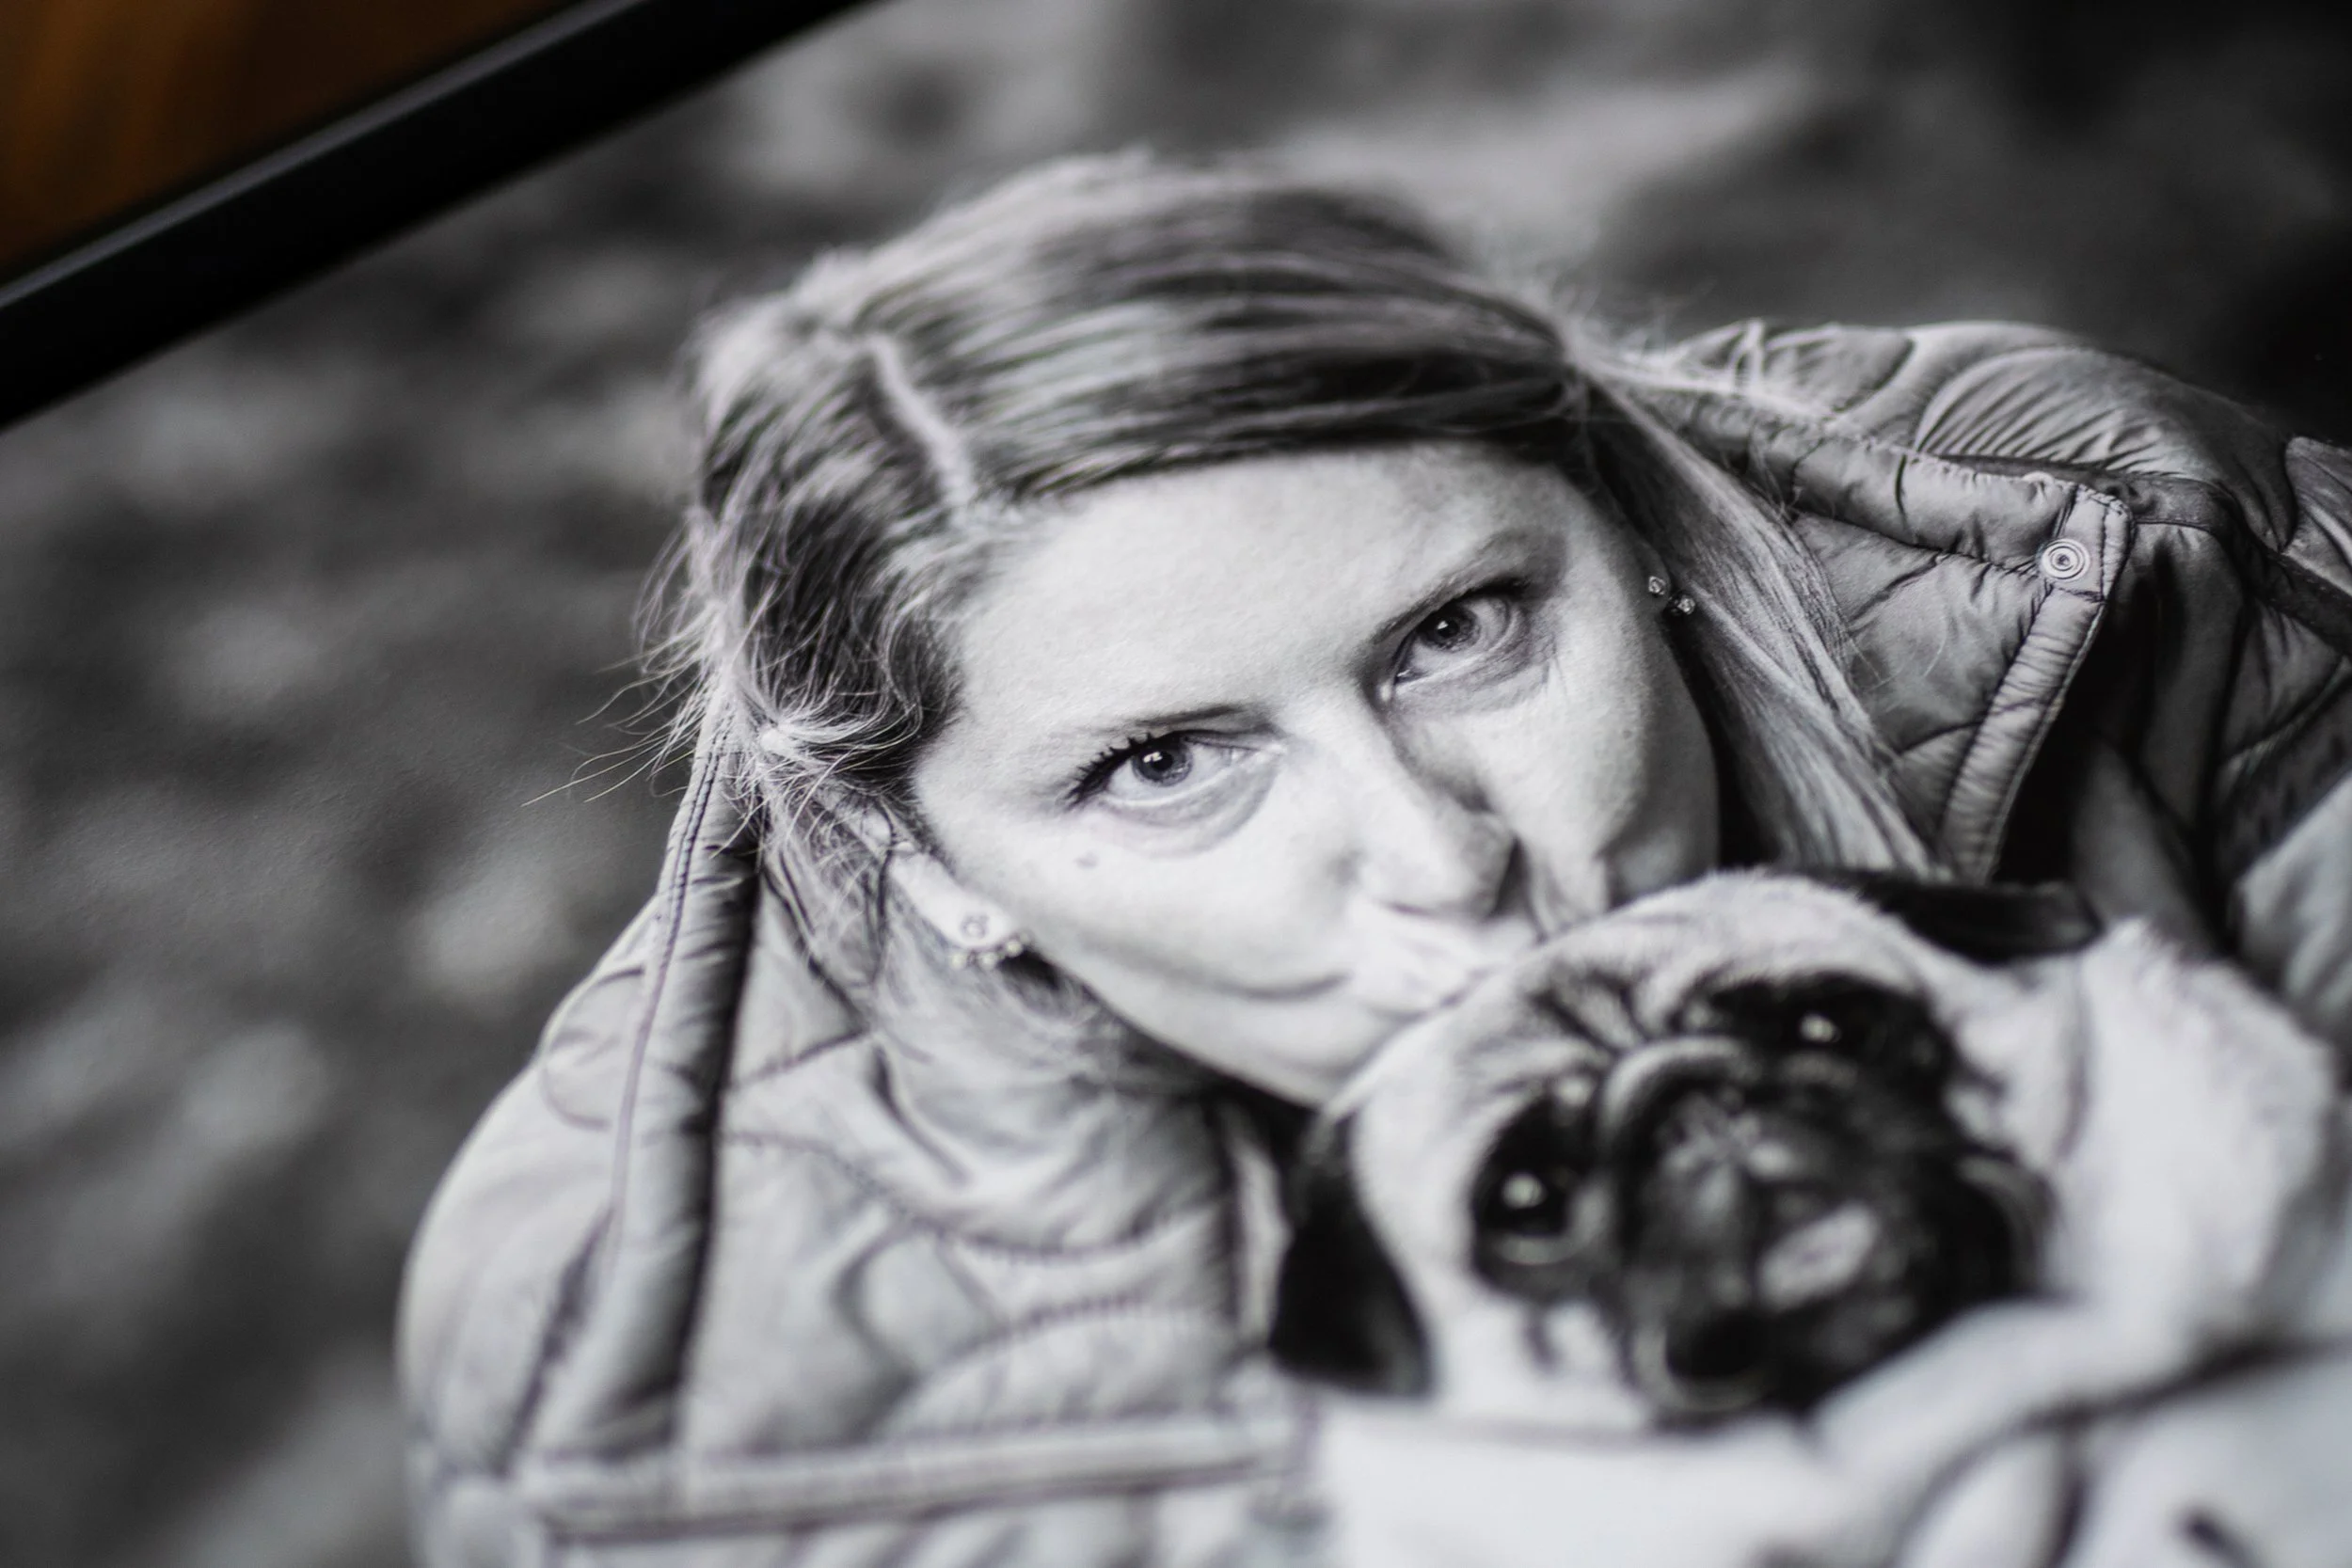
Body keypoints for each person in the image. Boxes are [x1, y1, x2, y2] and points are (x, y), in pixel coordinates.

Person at [398, 153, 2352, 1567]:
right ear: (924, 863)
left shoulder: (2114, 554)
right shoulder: (667, 1406)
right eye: (1167, 762)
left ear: (1628, 512)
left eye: (1459, 631)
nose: (1437, 855)